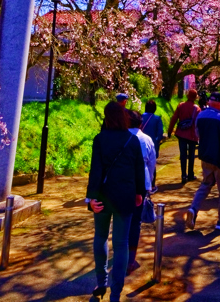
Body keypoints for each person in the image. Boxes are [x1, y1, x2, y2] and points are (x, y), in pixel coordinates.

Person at [86, 101, 146, 301]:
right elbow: (139, 171)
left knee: (100, 237)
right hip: (125, 197)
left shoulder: (99, 139)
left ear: (106, 117)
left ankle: (101, 282)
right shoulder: (132, 140)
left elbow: (95, 171)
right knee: (121, 245)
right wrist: (139, 193)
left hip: (103, 197)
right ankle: (116, 292)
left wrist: (91, 199)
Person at [184, 92, 220, 231]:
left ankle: (193, 209)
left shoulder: (200, 116)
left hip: (205, 156)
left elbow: (198, 134)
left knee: (206, 184)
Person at [126, 110, 158, 275]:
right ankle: (131, 259)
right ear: (140, 124)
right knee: (135, 222)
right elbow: (152, 164)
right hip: (141, 185)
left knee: (122, 220)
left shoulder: (119, 137)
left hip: (121, 184)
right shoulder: (146, 139)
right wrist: (150, 183)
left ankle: (122, 255)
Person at [167, 89, 201, 182]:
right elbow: (199, 123)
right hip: (192, 135)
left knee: (183, 155)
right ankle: (190, 174)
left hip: (181, 133)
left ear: (187, 96)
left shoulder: (181, 106)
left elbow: (174, 119)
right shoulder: (197, 109)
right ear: (195, 97)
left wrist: (170, 131)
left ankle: (183, 175)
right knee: (191, 154)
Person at [140, 100, 164, 189]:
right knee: (151, 164)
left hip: (140, 143)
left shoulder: (140, 117)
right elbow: (160, 133)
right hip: (152, 144)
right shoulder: (157, 119)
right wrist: (158, 140)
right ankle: (152, 185)